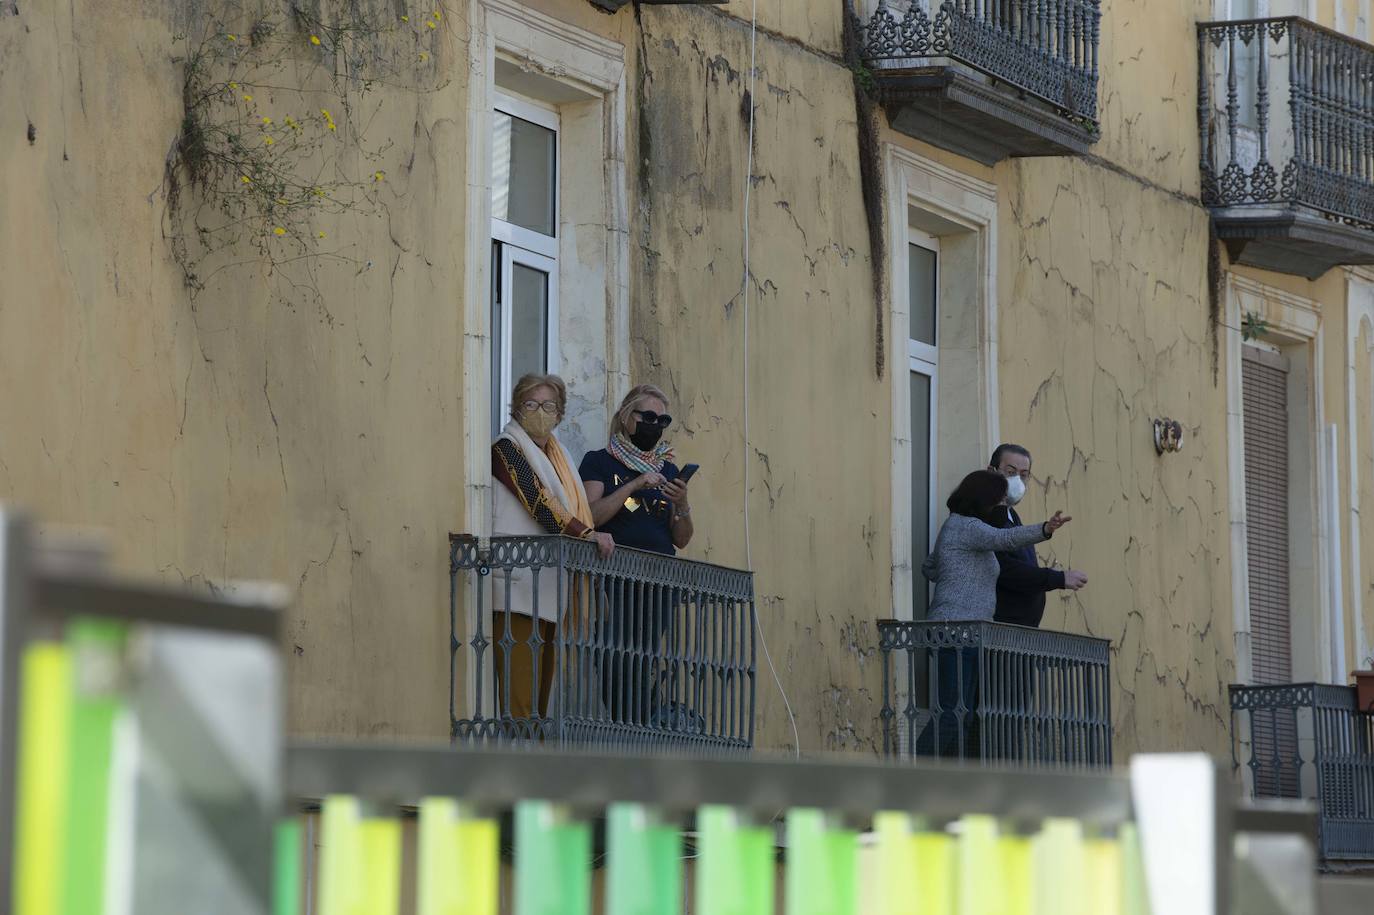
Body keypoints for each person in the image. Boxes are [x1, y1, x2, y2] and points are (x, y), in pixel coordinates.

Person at [919, 470, 1071, 757]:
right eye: (1000, 499)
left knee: (961, 716)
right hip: (954, 633)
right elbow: (1007, 539)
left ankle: (944, 783)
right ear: (984, 498)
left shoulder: (966, 534)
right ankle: (906, 778)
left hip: (970, 634)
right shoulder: (966, 526)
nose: (1003, 504)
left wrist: (952, 566)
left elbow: (931, 567)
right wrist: (1045, 529)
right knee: (952, 714)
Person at [490, 373, 614, 724]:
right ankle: (523, 763)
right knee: (520, 701)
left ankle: (534, 759)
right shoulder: (505, 449)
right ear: (516, 408)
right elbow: (539, 502)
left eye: (547, 406)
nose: (539, 412)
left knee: (540, 700)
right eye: (530, 404)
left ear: (559, 414)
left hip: (547, 588)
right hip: (515, 588)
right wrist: (586, 534)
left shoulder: (561, 459)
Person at [580, 384, 694, 725]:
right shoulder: (599, 461)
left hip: (660, 581)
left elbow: (682, 538)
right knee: (615, 653)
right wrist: (633, 485)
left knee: (641, 655)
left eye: (662, 420)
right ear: (626, 417)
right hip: (616, 576)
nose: (655, 425)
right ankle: (626, 723)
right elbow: (590, 516)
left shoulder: (668, 471)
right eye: (647, 417)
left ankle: (637, 724)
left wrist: (683, 503)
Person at [987, 443, 1088, 628]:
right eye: (1010, 472)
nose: (1017, 480)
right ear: (991, 472)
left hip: (1017, 635)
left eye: (1024, 475)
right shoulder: (987, 517)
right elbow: (1003, 568)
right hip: (997, 634)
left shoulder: (1012, 516)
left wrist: (1046, 529)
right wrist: (1058, 578)